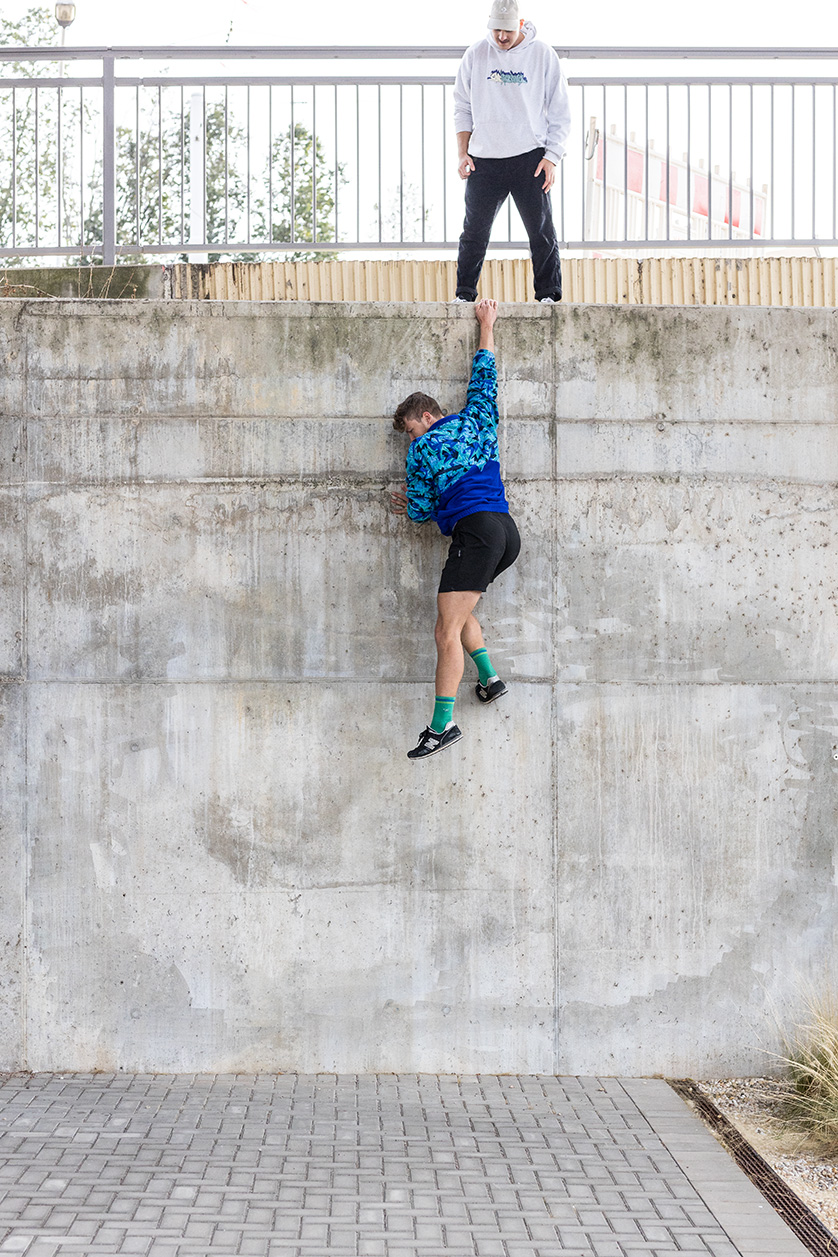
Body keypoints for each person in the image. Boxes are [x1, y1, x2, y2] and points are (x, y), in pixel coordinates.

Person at [390, 298, 520, 761]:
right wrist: (488, 323)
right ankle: (489, 678)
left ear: (426, 417)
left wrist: (412, 502)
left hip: (475, 533)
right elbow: (485, 375)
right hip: (506, 534)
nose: (411, 439)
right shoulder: (476, 418)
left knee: (444, 633)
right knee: (458, 613)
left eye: (409, 430)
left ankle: (440, 727)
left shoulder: (422, 451)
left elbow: (422, 512)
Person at [453, 0, 571, 304]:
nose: (501, 37)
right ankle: (465, 294)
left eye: (507, 31)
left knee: (541, 230)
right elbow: (462, 107)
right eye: (495, 30)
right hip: (484, 160)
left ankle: (549, 295)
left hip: (530, 157)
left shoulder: (542, 54)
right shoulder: (475, 54)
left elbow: (560, 110)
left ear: (520, 25)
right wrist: (462, 153)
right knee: (473, 233)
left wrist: (552, 156)